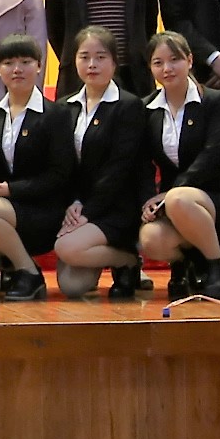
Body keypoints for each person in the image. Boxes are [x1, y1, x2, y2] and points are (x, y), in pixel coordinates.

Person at [49, 28, 153, 300]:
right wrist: (72, 202)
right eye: (84, 57)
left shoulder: (128, 105)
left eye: (100, 57)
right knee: (72, 286)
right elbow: (62, 166)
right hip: (80, 206)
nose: (92, 64)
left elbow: (118, 168)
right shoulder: (64, 107)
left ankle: (129, 259)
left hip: (117, 205)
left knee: (67, 248)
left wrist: (87, 212)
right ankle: (118, 259)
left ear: (114, 62)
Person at [139, 31, 220, 300]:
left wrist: (171, 192)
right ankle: (184, 265)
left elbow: (212, 156)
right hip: (171, 203)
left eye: (175, 59)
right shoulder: (146, 108)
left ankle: (217, 266)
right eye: (158, 62)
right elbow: (142, 163)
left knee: (179, 199)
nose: (167, 68)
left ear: (190, 60)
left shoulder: (214, 100)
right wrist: (148, 200)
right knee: (150, 238)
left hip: (217, 196)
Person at [0, 35, 63, 302]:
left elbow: (59, 175)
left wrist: (11, 190)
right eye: (8, 63)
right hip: (3, 205)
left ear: (39, 66)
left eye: (25, 62)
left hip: (44, 207)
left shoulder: (55, 114)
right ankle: (23, 269)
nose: (17, 69)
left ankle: (28, 271)